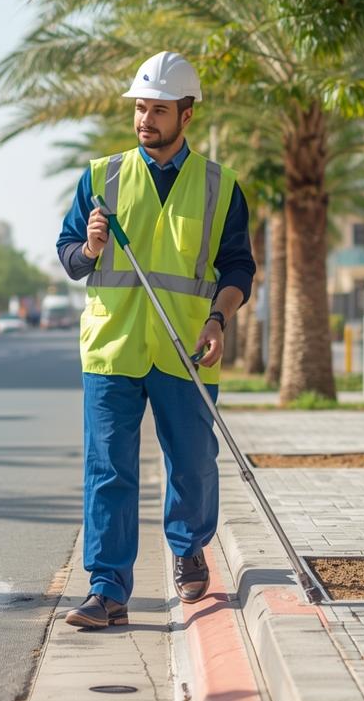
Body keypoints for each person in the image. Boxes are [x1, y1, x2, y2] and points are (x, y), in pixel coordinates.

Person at [54, 51, 255, 629]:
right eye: (141, 108)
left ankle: (189, 549)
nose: (145, 119)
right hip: (112, 348)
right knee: (108, 470)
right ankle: (106, 589)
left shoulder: (220, 186)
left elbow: (238, 267)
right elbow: (68, 256)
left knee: (192, 463)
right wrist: (89, 248)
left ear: (186, 116)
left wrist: (218, 320)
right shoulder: (101, 177)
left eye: (158, 110)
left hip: (187, 348)